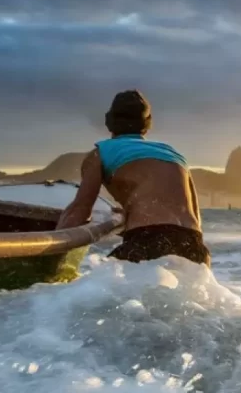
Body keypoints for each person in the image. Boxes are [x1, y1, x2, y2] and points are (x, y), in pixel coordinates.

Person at [57, 90, 210, 267]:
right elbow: (193, 215)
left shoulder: (102, 152)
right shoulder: (173, 153)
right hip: (195, 247)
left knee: (99, 290)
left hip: (147, 241)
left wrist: (54, 246)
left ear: (109, 121)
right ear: (147, 124)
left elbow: (81, 208)